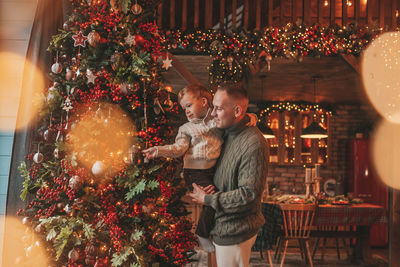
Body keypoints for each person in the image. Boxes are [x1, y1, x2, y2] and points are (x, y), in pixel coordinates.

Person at [142, 84, 257, 253]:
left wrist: (250, 117)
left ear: (204, 102)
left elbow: (233, 120)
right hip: (194, 173)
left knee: (217, 197)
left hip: (212, 171)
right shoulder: (186, 129)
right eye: (184, 108)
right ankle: (202, 234)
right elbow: (178, 149)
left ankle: (217, 231)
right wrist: (158, 150)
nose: (186, 111)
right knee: (210, 199)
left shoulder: (216, 123)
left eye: (189, 106)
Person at [189, 82, 269, 267]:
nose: (214, 113)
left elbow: (248, 195)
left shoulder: (254, 143)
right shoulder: (226, 132)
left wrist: (208, 199)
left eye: (218, 109)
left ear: (237, 111)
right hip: (221, 225)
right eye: (213, 107)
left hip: (235, 230)